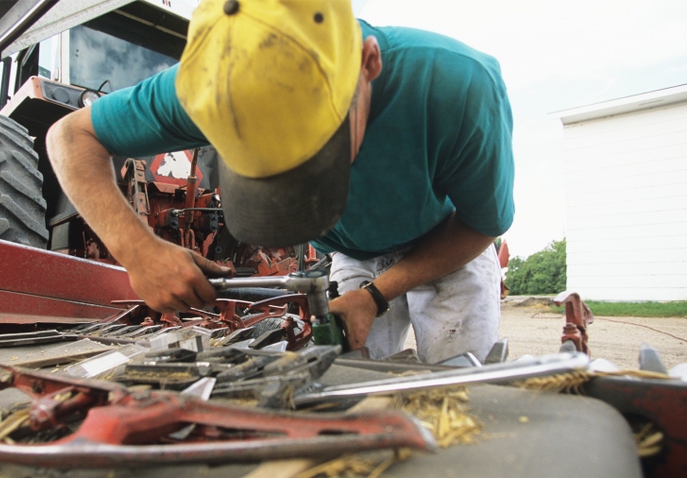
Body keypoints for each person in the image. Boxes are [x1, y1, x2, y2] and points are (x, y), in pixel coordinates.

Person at [46, 0, 514, 364]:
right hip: (353, 253)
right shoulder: (204, 85)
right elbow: (70, 136)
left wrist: (376, 293)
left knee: (460, 385)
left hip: (448, 244)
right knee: (351, 384)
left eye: (311, 155)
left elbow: (481, 224)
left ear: (368, 64)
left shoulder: (457, 85)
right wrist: (139, 251)